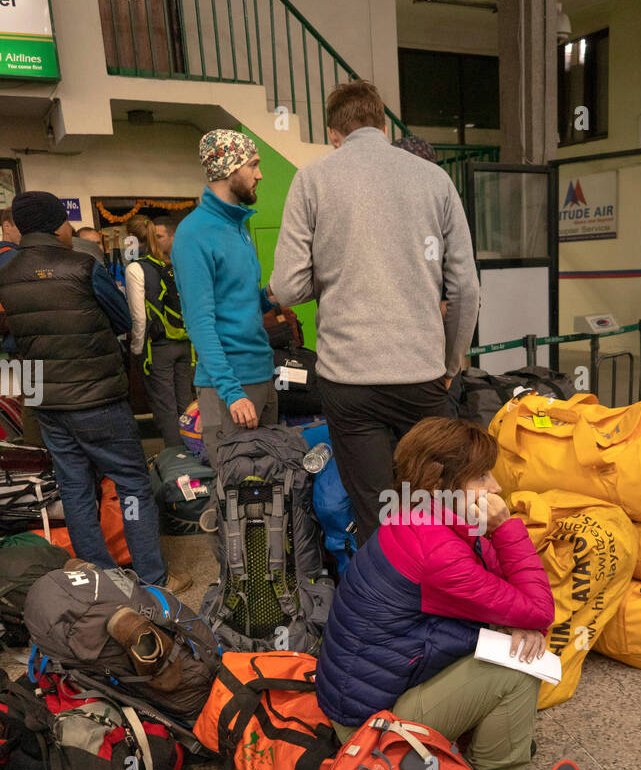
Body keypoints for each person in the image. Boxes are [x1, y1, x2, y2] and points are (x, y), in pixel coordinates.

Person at [270, 81, 481, 546]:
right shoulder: (434, 180)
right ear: (382, 125)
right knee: (434, 507)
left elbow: (286, 286)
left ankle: (379, 610)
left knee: (374, 513)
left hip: (349, 381)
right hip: (421, 375)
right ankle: (440, 606)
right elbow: (465, 287)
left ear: (333, 133)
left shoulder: (313, 180)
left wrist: (333, 276)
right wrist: (451, 363)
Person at [315, 416, 554, 770]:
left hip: (370, 692)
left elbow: (511, 592)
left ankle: (489, 743)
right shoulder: (438, 552)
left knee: (511, 637)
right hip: (370, 729)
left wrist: (519, 618)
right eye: (482, 478)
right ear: (441, 485)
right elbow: (540, 608)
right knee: (520, 666)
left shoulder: (420, 517)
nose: (497, 487)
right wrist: (506, 526)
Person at [0, 191, 176, 589]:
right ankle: (150, 578)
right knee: (131, 483)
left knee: (75, 487)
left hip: (46, 400)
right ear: (56, 225)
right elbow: (122, 320)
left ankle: (101, 580)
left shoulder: (5, 273)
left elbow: (12, 338)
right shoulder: (83, 266)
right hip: (98, 398)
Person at [172, 130, 278, 465]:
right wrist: (231, 393)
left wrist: (271, 296)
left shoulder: (238, 227)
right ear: (230, 167)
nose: (259, 174)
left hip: (262, 374)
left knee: (276, 487)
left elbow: (240, 303)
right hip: (230, 387)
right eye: (253, 165)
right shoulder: (194, 233)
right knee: (240, 500)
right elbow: (200, 323)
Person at [125, 215, 194, 447]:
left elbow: (139, 316)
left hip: (158, 346)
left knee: (165, 405)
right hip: (185, 342)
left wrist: (136, 349)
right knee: (185, 401)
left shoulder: (137, 267)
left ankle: (177, 458)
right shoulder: (176, 264)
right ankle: (195, 450)